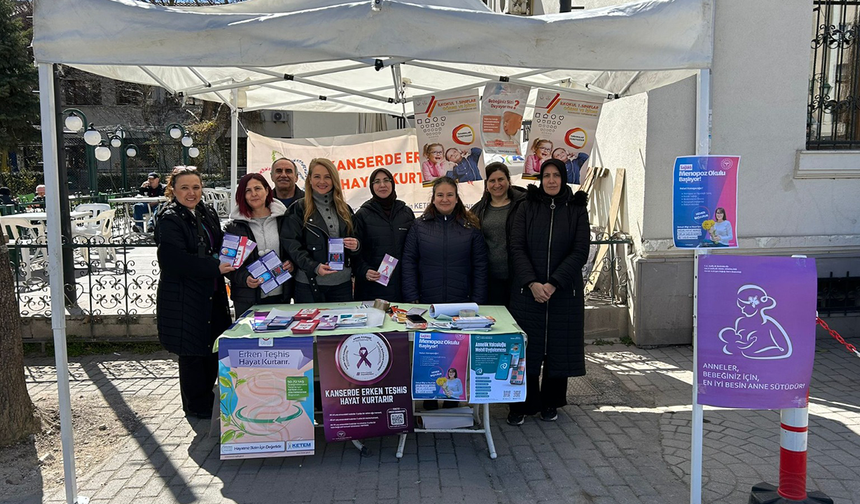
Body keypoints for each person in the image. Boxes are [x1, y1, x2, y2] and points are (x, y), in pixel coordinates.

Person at [507, 158, 590, 426]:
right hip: (527, 292)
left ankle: (551, 403)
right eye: (546, 175)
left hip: (563, 293)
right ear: (540, 179)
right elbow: (516, 247)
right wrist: (532, 283)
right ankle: (521, 405)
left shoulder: (577, 208)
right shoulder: (527, 206)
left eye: (556, 175)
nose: (551, 180)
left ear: (564, 178)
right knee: (525, 351)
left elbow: (580, 251)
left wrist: (554, 283)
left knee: (558, 348)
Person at [154, 166, 234, 420]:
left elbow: (218, 243)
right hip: (185, 297)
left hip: (211, 293)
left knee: (212, 348)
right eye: (185, 188)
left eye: (196, 187)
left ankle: (208, 400)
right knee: (191, 353)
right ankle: (196, 407)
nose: (191, 193)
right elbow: (174, 260)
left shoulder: (205, 211)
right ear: (173, 190)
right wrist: (214, 266)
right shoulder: (169, 218)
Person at [280, 158, 359, 303]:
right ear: (309, 179)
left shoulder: (344, 209)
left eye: (327, 177)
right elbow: (292, 246)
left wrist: (355, 246)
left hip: (342, 286)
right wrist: (314, 267)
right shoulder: (298, 209)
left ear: (334, 180)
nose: (322, 181)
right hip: (309, 285)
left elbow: (355, 239)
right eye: (317, 176)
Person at [402, 176, 488, 305]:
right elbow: (409, 262)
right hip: (427, 303)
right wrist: (411, 296)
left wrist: (478, 300)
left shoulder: (470, 228)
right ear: (434, 199)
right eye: (440, 195)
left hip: (462, 304)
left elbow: (480, 266)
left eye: (450, 195)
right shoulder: (418, 227)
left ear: (457, 199)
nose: (445, 199)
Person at [223, 173, 294, 316]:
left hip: (281, 295)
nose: (253, 194)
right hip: (247, 298)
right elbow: (228, 265)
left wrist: (291, 263)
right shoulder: (234, 227)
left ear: (267, 191)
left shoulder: (285, 219)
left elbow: (294, 250)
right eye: (248, 191)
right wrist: (245, 278)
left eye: (258, 188)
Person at [353, 167, 415, 302]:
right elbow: (354, 252)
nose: (382, 185)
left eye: (386, 180)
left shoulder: (406, 213)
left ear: (392, 183)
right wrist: (364, 271)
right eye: (377, 181)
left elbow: (415, 248)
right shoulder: (362, 215)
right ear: (371, 186)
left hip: (402, 286)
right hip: (373, 286)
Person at [469, 162, 526, 306]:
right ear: (486, 184)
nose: (497, 184)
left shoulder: (524, 204)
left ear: (508, 180)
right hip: (491, 279)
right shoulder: (478, 209)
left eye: (501, 179)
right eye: (492, 180)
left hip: (519, 276)